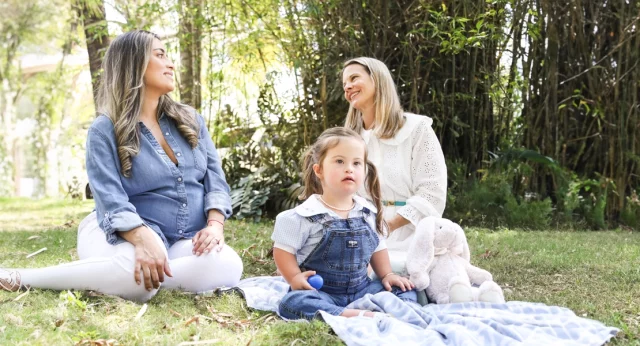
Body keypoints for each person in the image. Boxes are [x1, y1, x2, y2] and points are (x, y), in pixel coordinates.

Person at [0, 30, 243, 302]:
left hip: (180, 242)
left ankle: (147, 274)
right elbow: (111, 200)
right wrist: (142, 237)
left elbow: (216, 182)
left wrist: (214, 226)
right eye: (160, 55)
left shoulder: (191, 120)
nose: (171, 63)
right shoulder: (104, 131)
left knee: (229, 265)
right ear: (135, 63)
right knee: (136, 279)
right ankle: (19, 277)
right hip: (119, 234)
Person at [272, 127, 416, 321]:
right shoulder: (304, 216)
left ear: (364, 170)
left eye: (357, 163)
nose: (349, 168)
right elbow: (283, 251)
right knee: (292, 302)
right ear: (319, 170)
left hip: (363, 289)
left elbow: (378, 247)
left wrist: (387, 274)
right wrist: (295, 278)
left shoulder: (367, 212)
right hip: (321, 292)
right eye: (340, 161)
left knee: (401, 286)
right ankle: (350, 314)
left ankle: (396, 311)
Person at [342, 57, 447, 278]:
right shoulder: (349, 140)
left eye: (354, 78)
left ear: (378, 80)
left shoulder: (417, 129)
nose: (348, 86)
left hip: (413, 232)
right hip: (362, 232)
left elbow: (432, 193)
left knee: (414, 274)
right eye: (344, 84)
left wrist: (387, 226)